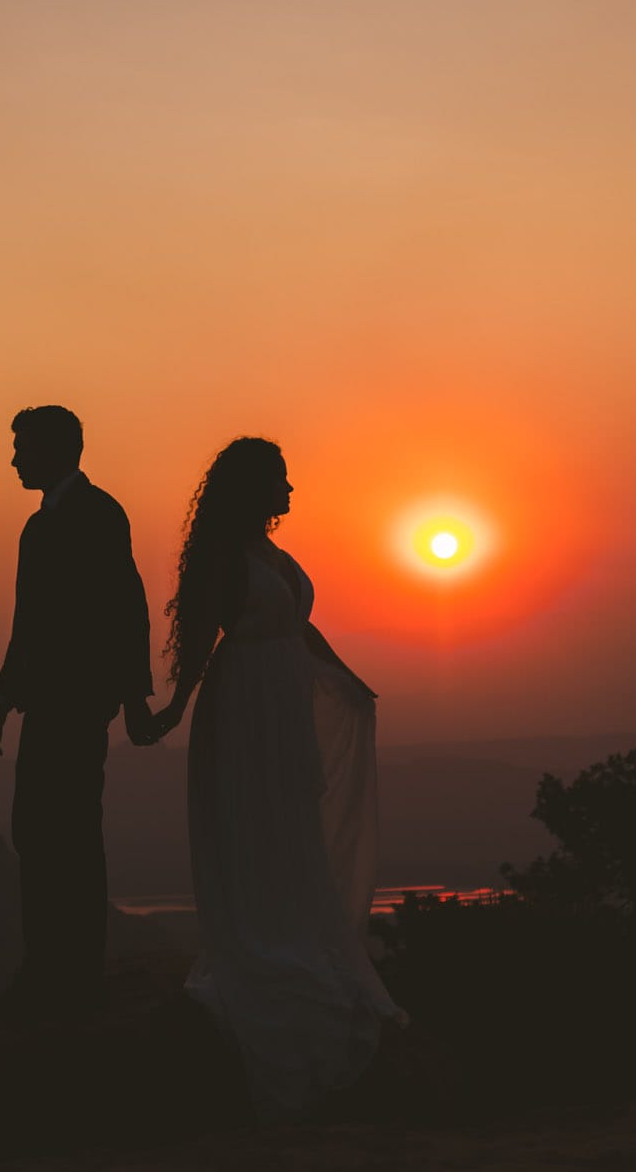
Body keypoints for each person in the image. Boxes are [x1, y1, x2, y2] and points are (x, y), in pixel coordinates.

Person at [143, 436, 404, 1120]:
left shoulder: (275, 558)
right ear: (253, 486)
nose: (291, 491)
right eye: (280, 481)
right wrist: (171, 708)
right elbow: (200, 639)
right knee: (254, 821)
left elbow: (299, 626)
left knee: (291, 819)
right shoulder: (223, 558)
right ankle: (264, 942)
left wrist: (346, 676)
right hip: (245, 706)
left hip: (283, 701)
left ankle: (299, 931)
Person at [0, 405, 154, 1014]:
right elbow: (26, 621)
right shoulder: (37, 526)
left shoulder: (100, 514)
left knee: (71, 828)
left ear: (57, 449)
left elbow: (127, 605)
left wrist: (132, 699)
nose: (14, 459)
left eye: (22, 447)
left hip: (79, 701)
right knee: (37, 826)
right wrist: (4, 697)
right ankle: (48, 963)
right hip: (46, 700)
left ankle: (73, 969)